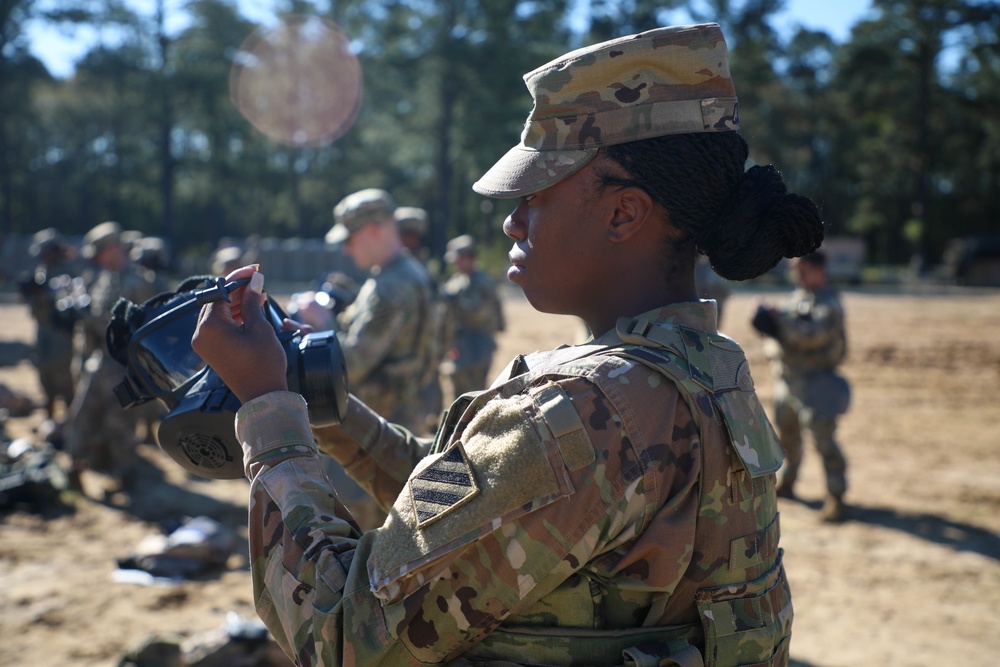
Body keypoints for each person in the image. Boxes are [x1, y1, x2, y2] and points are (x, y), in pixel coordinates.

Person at [192, 23, 823, 667]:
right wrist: (327, 406)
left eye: (536, 192)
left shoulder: (581, 411)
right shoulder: (703, 369)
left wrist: (268, 411)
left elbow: (343, 637)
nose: (511, 220)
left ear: (623, 213)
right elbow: (468, 509)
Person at [324, 188, 439, 436]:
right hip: (398, 419)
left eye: (349, 239)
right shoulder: (404, 272)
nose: (346, 249)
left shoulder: (391, 286)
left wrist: (322, 324)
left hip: (378, 430)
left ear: (373, 231)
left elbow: (351, 365)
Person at [752, 251, 850, 522]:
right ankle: (788, 482)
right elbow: (786, 322)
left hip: (816, 383)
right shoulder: (799, 296)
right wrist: (769, 317)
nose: (797, 275)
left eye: (802, 270)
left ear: (819, 270)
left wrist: (776, 322)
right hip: (789, 382)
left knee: (823, 440)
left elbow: (810, 335)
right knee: (787, 438)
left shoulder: (829, 303)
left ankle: (836, 497)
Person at [65, 221, 157, 493]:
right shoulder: (103, 279)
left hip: (125, 367)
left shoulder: (139, 282)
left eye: (100, 252)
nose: (97, 259)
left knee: (120, 425)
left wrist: (90, 317)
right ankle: (74, 468)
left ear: (114, 248)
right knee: (81, 416)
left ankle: (126, 477)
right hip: (101, 363)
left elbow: (142, 328)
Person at [20, 228, 80, 421]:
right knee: (45, 381)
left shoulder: (67, 275)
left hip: (60, 336)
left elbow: (69, 306)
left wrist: (47, 297)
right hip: (43, 334)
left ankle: (71, 426)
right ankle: (50, 421)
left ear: (55, 251)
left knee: (64, 383)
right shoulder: (41, 273)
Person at [440, 234, 506, 400]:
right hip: (461, 344)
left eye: (458, 259)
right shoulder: (457, 280)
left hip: (477, 344)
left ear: (469, 258)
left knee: (475, 393)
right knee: (458, 390)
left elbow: (480, 313)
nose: (455, 264)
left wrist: (454, 302)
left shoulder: (481, 282)